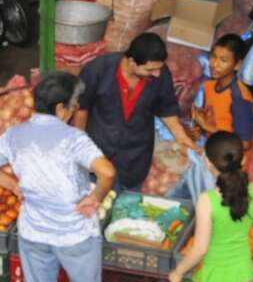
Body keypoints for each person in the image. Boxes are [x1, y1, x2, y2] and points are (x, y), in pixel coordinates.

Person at [0, 71, 116, 282]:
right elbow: (107, 172)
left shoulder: (15, 134)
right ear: (60, 108)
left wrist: (13, 185)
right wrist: (95, 197)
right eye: (74, 104)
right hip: (74, 234)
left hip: (34, 232)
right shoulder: (74, 138)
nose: (76, 108)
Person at [73, 32, 196, 192]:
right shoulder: (98, 69)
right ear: (131, 62)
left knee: (127, 204)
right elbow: (81, 109)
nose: (157, 74)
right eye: (150, 69)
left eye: (158, 69)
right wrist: (80, 146)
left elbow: (166, 108)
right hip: (99, 150)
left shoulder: (160, 74)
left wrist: (181, 136)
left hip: (135, 156)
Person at [168, 131, 253, 282]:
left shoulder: (207, 201)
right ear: (243, 160)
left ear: (207, 162)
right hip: (243, 277)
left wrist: (178, 272)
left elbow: (200, 249)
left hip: (211, 281)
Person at [192, 34, 253, 156]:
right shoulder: (208, 86)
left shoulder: (240, 98)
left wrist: (207, 127)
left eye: (223, 60)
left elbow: (245, 144)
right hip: (211, 145)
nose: (215, 64)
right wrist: (200, 129)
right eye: (213, 57)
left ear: (237, 65)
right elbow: (210, 115)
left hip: (228, 157)